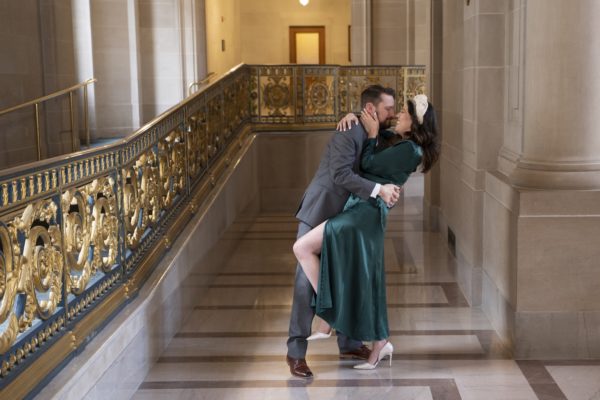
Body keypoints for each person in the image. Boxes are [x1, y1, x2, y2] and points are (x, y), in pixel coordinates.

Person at [293, 94, 440, 369]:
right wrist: (352, 115)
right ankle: (368, 337)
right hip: (359, 210)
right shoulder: (399, 141)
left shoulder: (410, 149)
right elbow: (367, 126)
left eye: (404, 114)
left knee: (305, 249)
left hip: (364, 214)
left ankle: (333, 315)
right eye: (392, 110)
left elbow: (368, 165)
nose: (397, 116)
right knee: (363, 275)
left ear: (415, 124)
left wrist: (372, 136)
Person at [286, 85, 402, 378]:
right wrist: (378, 190)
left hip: (347, 218)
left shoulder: (378, 134)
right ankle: (295, 353)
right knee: (304, 285)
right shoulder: (347, 131)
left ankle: (349, 343)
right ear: (372, 109)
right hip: (320, 212)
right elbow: (340, 175)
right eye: (389, 108)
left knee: (349, 276)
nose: (393, 113)